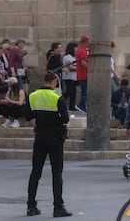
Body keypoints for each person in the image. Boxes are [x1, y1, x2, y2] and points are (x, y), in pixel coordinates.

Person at [24, 72, 72, 217]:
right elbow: (65, 119)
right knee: (57, 172)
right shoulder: (57, 97)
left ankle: (31, 206)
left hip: (40, 136)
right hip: (55, 137)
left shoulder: (32, 96)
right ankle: (58, 207)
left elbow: (27, 116)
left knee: (35, 171)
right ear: (53, 81)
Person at [62, 42, 78, 111]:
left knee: (73, 92)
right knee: (69, 91)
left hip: (73, 78)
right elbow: (70, 67)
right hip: (68, 77)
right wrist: (78, 69)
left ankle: (72, 106)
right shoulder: (68, 57)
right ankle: (60, 101)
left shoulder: (73, 57)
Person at [75, 35, 89, 113]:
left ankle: (82, 107)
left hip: (82, 74)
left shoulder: (81, 50)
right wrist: (90, 70)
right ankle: (80, 105)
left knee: (85, 91)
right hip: (83, 75)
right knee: (85, 91)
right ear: (85, 42)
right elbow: (83, 63)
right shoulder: (82, 50)